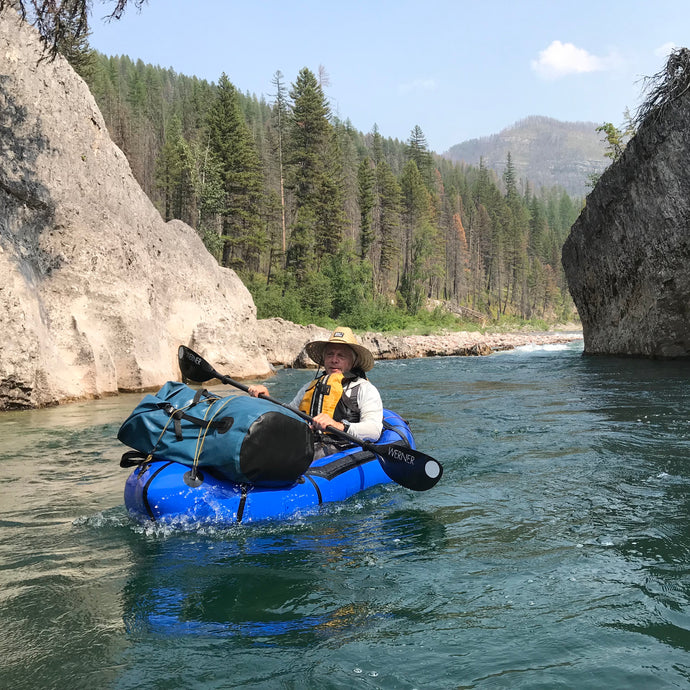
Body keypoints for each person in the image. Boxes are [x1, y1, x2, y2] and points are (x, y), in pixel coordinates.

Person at [248, 327, 383, 446]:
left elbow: (374, 431)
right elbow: (288, 416)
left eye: (341, 355)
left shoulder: (364, 389)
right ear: (324, 359)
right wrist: (266, 399)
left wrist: (337, 426)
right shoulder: (309, 387)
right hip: (308, 448)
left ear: (353, 362)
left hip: (343, 451)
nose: (334, 360)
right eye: (330, 354)